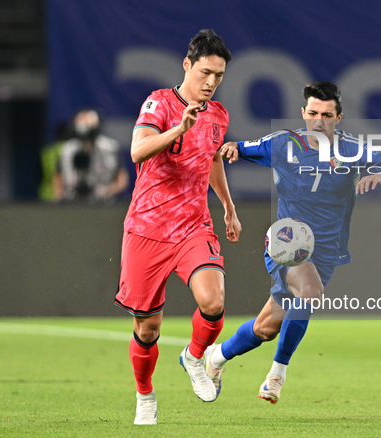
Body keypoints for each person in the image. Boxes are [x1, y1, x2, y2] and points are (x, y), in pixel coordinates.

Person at [206, 81, 381, 404]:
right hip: (288, 243)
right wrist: (232, 148)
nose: (319, 121)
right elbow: (232, 149)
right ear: (303, 113)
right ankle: (276, 375)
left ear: (339, 117)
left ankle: (216, 358)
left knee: (266, 327)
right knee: (311, 292)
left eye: (327, 115)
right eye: (313, 113)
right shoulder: (281, 144)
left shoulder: (355, 149)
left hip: (327, 253)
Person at [113, 29, 241, 425]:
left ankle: (194, 357)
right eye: (205, 72)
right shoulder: (159, 103)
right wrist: (178, 130)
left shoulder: (218, 114)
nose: (211, 82)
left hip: (192, 226)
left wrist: (228, 207)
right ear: (187, 65)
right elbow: (137, 150)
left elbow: (213, 159)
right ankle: (145, 395)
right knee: (148, 328)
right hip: (147, 228)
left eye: (218, 76)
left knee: (214, 301)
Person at [54, 108, 129, 202]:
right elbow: (58, 178)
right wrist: (60, 199)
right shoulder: (66, 150)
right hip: (72, 203)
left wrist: (108, 192)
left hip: (103, 205)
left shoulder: (111, 148)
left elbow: (122, 178)